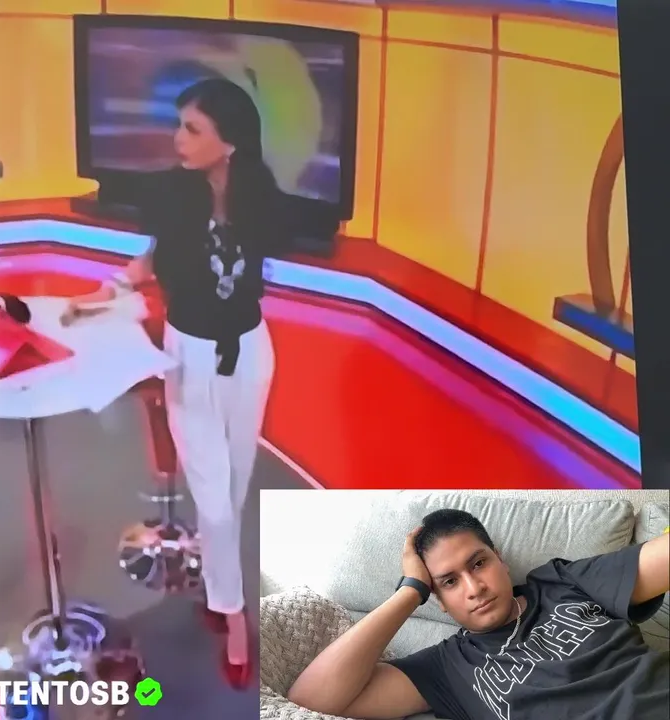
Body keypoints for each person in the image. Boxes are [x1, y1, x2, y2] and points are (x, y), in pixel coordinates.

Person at [61, 77, 295, 686]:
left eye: (192, 129)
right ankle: (236, 619)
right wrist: (109, 290)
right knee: (213, 502)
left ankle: (219, 593)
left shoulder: (262, 198)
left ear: (230, 142)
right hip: (188, 356)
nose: (178, 139)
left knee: (232, 491)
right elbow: (154, 259)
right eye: (180, 125)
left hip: (250, 353)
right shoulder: (172, 194)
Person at [286, 509, 670, 719]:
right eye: (449, 582)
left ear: (500, 560)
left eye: (479, 563)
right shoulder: (447, 668)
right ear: (437, 599)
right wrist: (410, 591)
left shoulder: (562, 582)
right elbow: (311, 698)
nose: (474, 588)